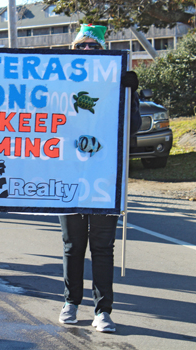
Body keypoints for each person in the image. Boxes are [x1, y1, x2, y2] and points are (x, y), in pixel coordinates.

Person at [57, 24, 141, 333]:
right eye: (81, 46)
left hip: (104, 176)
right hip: (69, 175)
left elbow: (131, 128)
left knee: (102, 246)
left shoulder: (118, 82)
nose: (88, 51)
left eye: (94, 46)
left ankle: (103, 311)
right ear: (73, 50)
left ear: (103, 49)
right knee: (72, 243)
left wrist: (130, 93)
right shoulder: (62, 83)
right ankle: (71, 302)